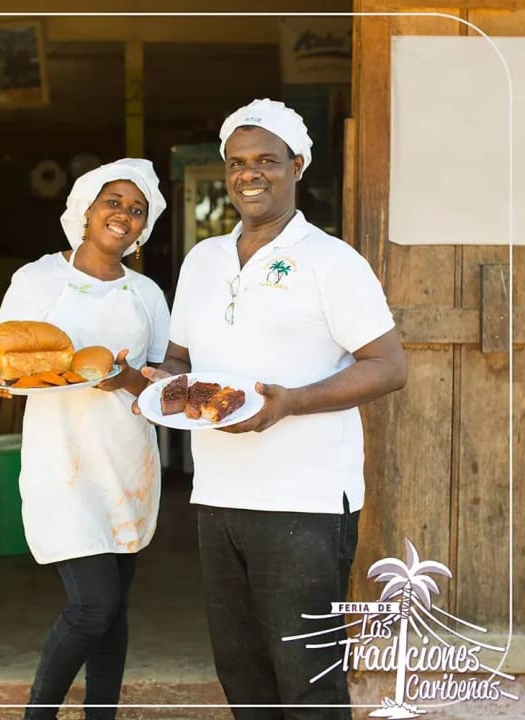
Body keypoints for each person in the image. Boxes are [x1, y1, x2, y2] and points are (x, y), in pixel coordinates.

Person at [141, 99, 407, 719]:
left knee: (308, 681)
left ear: (297, 166)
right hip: (219, 494)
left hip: (305, 500)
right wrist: (163, 388)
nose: (249, 174)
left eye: (266, 160)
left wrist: (291, 402)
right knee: (242, 672)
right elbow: (180, 359)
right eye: (237, 163)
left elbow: (388, 366)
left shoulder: (331, 261)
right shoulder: (203, 260)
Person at [0, 158, 169, 720]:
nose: (124, 215)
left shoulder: (147, 293)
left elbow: (162, 385)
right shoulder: (37, 279)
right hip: (62, 462)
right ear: (85, 210)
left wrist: (128, 379)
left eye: (137, 209)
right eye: (113, 202)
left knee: (114, 609)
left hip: (126, 457)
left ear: (144, 226)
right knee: (92, 606)